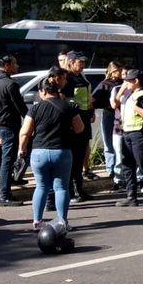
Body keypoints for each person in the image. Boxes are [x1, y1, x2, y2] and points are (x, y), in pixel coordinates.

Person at [19, 68, 84, 232]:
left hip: (39, 152)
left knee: (41, 186)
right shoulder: (68, 106)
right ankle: (62, 222)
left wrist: (21, 149)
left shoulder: (34, 109)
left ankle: (37, 221)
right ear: (57, 90)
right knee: (61, 187)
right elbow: (80, 128)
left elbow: (25, 132)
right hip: (61, 152)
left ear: (42, 91)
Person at [112, 69, 143, 207]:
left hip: (140, 134)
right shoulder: (131, 94)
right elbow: (115, 103)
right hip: (127, 133)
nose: (125, 83)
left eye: (128, 81)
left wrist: (136, 108)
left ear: (136, 81)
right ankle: (131, 197)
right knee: (127, 166)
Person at [0, 54, 28, 207]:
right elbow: (21, 107)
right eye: (15, 63)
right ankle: (4, 196)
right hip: (9, 126)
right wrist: (32, 121)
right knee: (8, 160)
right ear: (7, 65)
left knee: (9, 159)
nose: (17, 66)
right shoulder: (10, 84)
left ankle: (11, 184)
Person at [61, 51, 95, 202]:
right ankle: (71, 191)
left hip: (85, 120)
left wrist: (91, 110)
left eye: (83, 62)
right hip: (74, 123)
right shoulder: (66, 78)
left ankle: (79, 189)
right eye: (80, 62)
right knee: (73, 158)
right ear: (71, 62)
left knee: (80, 157)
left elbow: (86, 97)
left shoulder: (81, 76)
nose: (83, 65)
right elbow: (63, 99)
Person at [93, 61, 124, 188]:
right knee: (109, 143)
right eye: (118, 71)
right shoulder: (104, 84)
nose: (120, 73)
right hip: (109, 114)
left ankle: (120, 168)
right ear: (112, 71)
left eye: (121, 70)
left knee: (120, 143)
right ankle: (111, 169)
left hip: (122, 114)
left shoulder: (123, 83)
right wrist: (106, 104)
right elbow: (94, 99)